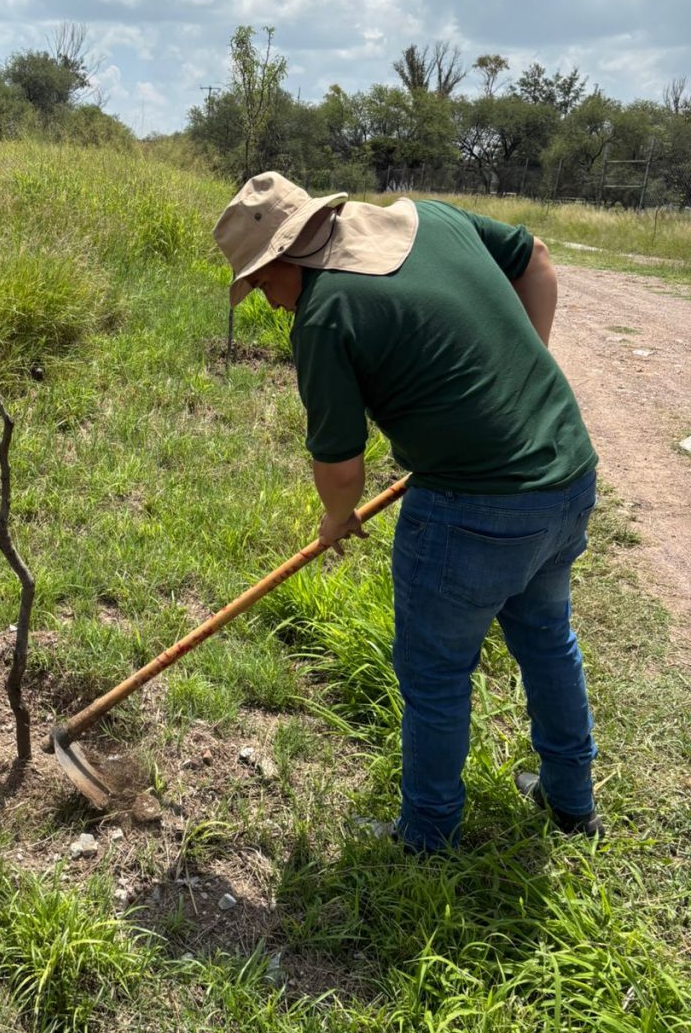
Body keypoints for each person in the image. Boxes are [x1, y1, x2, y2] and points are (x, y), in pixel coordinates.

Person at [213, 171, 603, 853]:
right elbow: (536, 258)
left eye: (263, 283)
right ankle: (572, 804)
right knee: (547, 638)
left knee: (435, 673)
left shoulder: (325, 311)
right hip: (567, 473)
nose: (270, 302)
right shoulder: (430, 218)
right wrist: (518, 386)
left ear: (286, 255)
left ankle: (427, 835)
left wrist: (336, 517)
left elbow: (341, 467)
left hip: (472, 509)